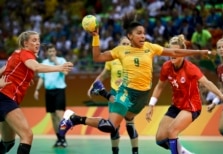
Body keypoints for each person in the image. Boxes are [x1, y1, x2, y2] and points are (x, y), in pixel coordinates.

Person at [58, 12, 212, 153]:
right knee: (111, 126)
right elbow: (97, 57)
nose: (143, 36)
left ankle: (102, 94)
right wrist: (95, 37)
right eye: (139, 33)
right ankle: (74, 119)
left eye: (144, 33)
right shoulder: (121, 50)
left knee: (128, 119)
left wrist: (198, 52)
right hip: (126, 92)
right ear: (130, 36)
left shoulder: (150, 48)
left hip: (143, 96)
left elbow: (175, 52)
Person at [145, 34, 223, 154]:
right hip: (176, 105)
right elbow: (159, 86)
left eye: (176, 51)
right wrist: (151, 105)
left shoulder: (190, 68)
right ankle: (183, 152)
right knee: (160, 139)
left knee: (172, 131)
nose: (172, 54)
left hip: (191, 106)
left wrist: (221, 96)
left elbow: (207, 82)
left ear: (183, 53)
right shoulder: (166, 67)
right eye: (170, 51)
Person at [0, 30, 73, 154]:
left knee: (7, 143)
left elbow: (4, 70)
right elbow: (36, 67)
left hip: (6, 98)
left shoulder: (16, 55)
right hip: (6, 98)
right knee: (27, 136)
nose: (37, 43)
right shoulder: (25, 53)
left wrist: (25, 79)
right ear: (25, 43)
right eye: (34, 40)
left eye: (38, 40)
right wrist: (59, 67)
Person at [87, 37, 137, 154]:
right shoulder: (111, 59)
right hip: (114, 94)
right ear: (119, 45)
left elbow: (138, 76)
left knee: (130, 123)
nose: (125, 45)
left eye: (127, 44)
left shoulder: (134, 59)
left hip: (128, 93)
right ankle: (115, 151)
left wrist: (125, 79)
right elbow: (103, 75)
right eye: (123, 43)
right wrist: (92, 86)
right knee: (113, 126)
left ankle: (135, 151)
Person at [33, 44, 69, 148]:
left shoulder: (61, 61)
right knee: (53, 117)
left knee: (59, 114)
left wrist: (56, 63)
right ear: (46, 53)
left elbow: (66, 72)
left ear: (55, 52)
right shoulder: (44, 63)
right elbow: (41, 78)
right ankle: (58, 139)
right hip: (49, 92)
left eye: (53, 51)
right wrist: (36, 90)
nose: (52, 53)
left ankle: (63, 138)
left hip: (59, 90)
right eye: (50, 52)